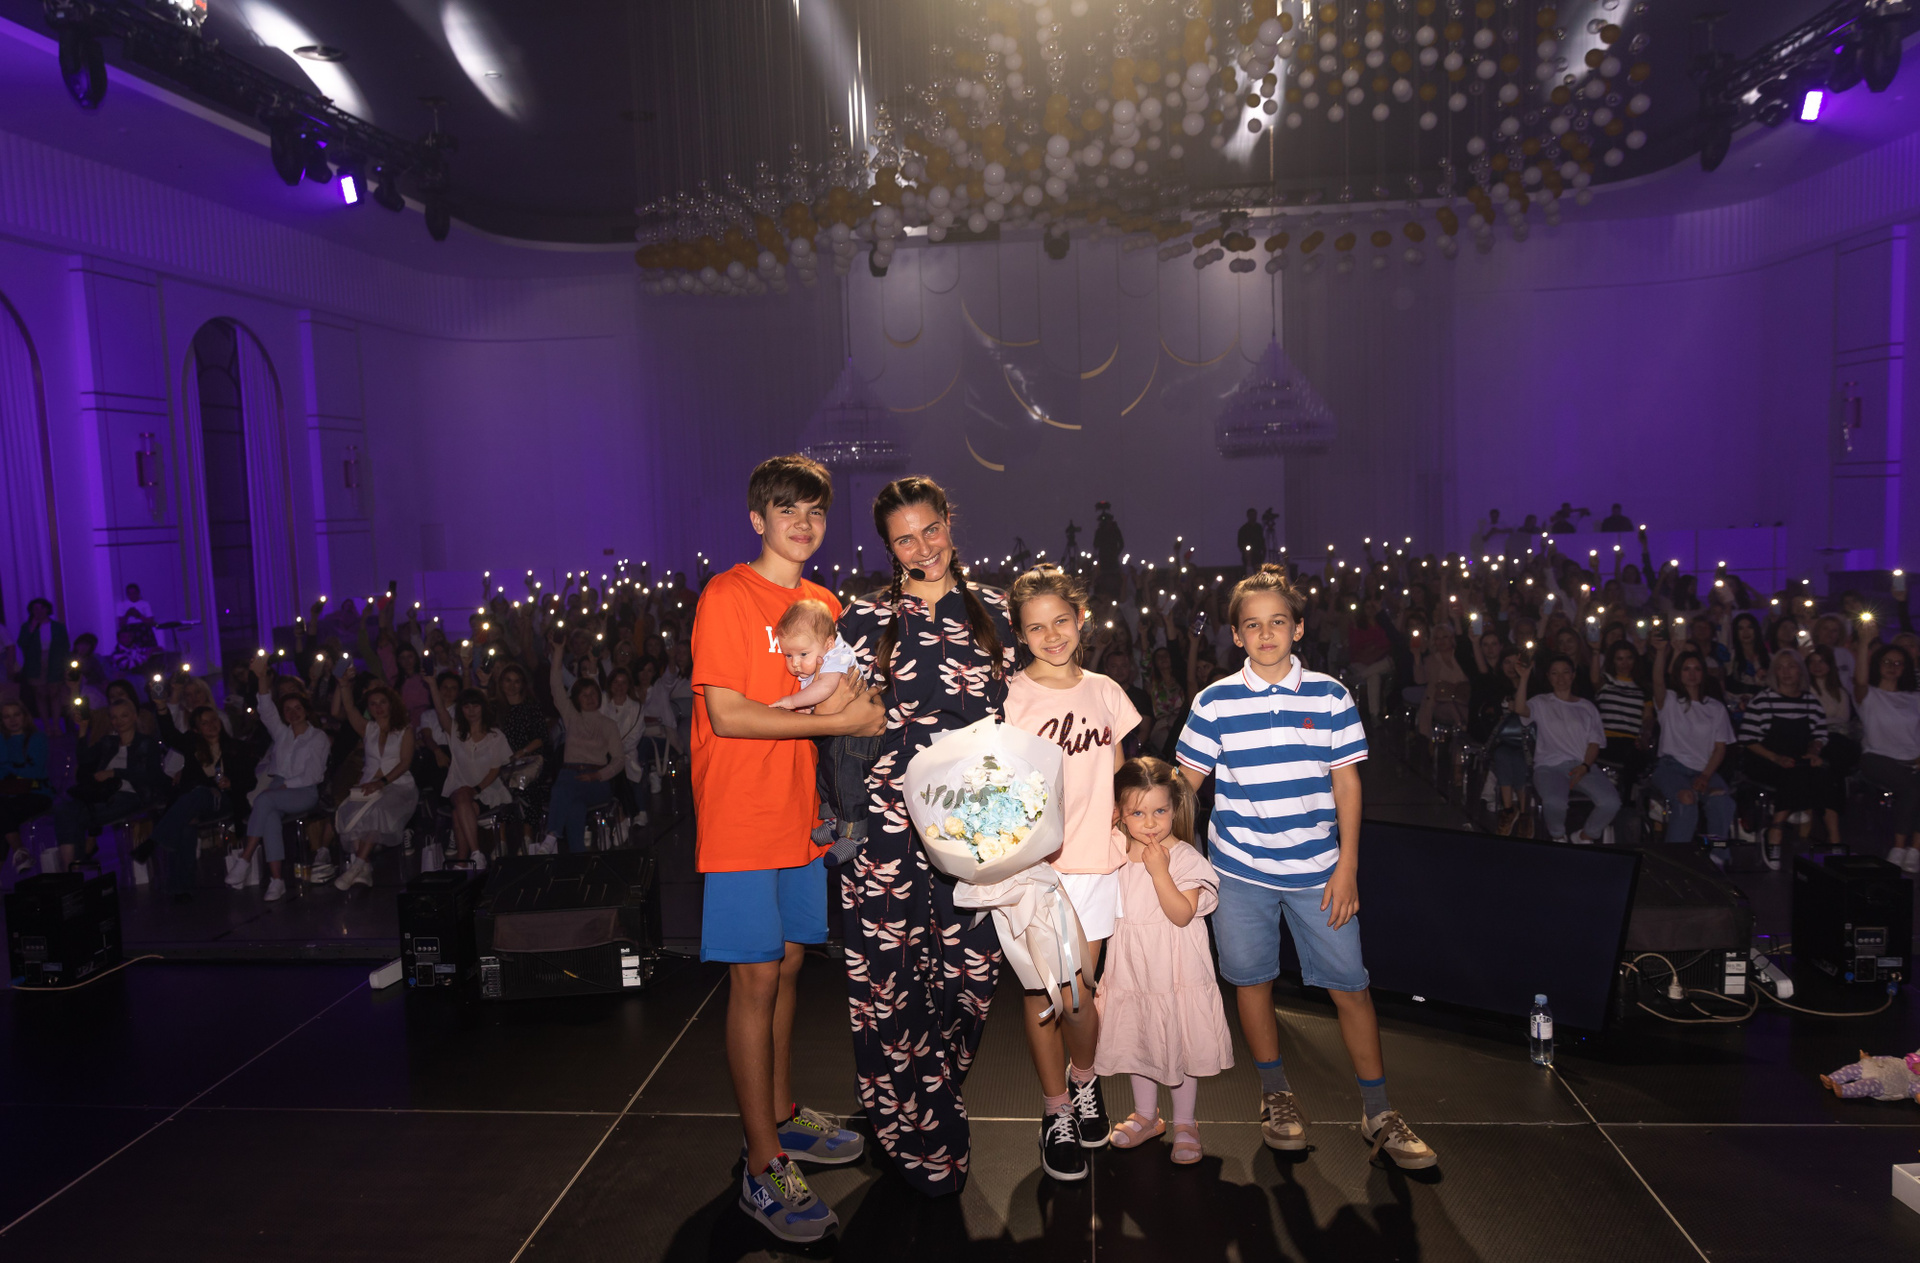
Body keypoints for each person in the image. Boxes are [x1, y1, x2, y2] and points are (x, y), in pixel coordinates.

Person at [1175, 564, 1437, 1171]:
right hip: (1239, 872)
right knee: (1252, 983)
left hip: (1320, 873)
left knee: (1352, 987)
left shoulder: (1331, 695)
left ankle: (1378, 1111)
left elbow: (1347, 785)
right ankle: (1276, 1097)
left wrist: (1348, 868)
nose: (1266, 634)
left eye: (1278, 622)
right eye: (1252, 625)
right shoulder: (1213, 701)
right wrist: (1152, 838)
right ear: (1236, 635)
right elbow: (1186, 786)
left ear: (1297, 628)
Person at [693, 455, 882, 1242]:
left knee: (792, 962)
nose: (803, 524)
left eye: (815, 511)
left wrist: (864, 705)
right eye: (786, 510)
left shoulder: (823, 603)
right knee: (756, 976)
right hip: (742, 813)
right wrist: (838, 719)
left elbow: (852, 698)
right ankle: (762, 1162)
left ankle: (780, 1112)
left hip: (803, 813)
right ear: (757, 518)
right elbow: (729, 714)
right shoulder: (727, 595)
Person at [835, 474, 1014, 1196]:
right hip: (883, 828)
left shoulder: (998, 611)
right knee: (890, 981)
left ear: (948, 520)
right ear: (888, 546)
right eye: (904, 539)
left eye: (930, 529)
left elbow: (1032, 715)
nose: (922, 547)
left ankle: (923, 1097)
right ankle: (923, 1134)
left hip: (977, 827)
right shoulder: (860, 619)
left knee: (974, 976)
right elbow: (831, 722)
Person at [1001, 564, 1139, 1183]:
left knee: (1078, 994)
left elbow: (1119, 776)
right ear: (1019, 633)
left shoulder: (1106, 691)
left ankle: (1085, 1081)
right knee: (1042, 997)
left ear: (1081, 619)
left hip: (1093, 863)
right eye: (1036, 627)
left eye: (1061, 621)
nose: (1052, 635)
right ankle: (1055, 1108)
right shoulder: (1009, 698)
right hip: (1034, 870)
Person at [1096, 757, 1233, 1165]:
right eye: (1137, 813)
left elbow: (1182, 914)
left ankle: (1186, 1123)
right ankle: (1146, 1115)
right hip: (1133, 968)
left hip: (1175, 972)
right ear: (1121, 813)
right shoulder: (1116, 851)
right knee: (1140, 1035)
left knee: (1179, 1040)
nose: (1150, 823)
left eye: (1160, 811)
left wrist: (1160, 872)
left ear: (1175, 807)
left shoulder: (1185, 857)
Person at [236, 658, 330, 894]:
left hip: (304, 791)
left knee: (264, 799)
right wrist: (261, 677)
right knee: (269, 818)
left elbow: (313, 774)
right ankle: (277, 881)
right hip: (279, 789)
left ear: (305, 710)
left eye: (297, 708)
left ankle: (245, 859)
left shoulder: (317, 737)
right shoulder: (281, 733)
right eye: (288, 709)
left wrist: (284, 786)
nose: (293, 713)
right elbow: (266, 709)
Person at [150, 703, 257, 902]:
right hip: (195, 804)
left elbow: (250, 781)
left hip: (225, 801)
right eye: (205, 723)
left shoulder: (236, 747)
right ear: (196, 730)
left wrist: (231, 783)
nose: (211, 725)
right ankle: (180, 888)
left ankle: (156, 839)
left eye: (214, 720)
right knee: (186, 823)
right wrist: (162, 708)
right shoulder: (192, 746)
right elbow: (170, 735)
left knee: (199, 794)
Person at [1738, 650, 1835, 866]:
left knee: (1825, 773)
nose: (1786, 672)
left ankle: (1832, 839)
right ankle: (1776, 831)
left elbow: (1819, 735)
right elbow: (1748, 739)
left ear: (1800, 670)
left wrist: (1814, 751)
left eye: (1791, 666)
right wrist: (1775, 758)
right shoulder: (1763, 700)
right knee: (1792, 774)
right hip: (1764, 759)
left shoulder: (1810, 701)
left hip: (1797, 759)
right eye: (1780, 667)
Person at [1514, 654, 1619, 845]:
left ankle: (1584, 836)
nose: (1560, 678)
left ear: (1573, 675)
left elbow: (1594, 742)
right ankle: (1558, 836)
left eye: (1565, 672)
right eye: (1555, 673)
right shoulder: (1541, 702)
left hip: (1581, 765)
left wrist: (1585, 766)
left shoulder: (1587, 707)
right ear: (1548, 677)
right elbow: (1520, 709)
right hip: (1549, 767)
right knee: (1555, 802)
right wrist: (1524, 678)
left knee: (1611, 802)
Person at [53, 698, 167, 869]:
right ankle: (72, 868)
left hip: (133, 795)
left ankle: (72, 870)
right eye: (114, 717)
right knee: (63, 810)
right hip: (103, 794)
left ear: (134, 716)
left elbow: (152, 776)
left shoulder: (146, 743)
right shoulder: (108, 742)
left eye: (124, 716)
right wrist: (83, 728)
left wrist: (115, 772)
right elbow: (84, 759)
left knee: (73, 818)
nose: (118, 721)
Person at [331, 675, 418, 890]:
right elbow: (349, 708)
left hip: (398, 785)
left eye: (382, 702)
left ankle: (356, 866)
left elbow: (405, 763)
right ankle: (365, 867)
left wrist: (382, 782)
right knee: (349, 813)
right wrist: (344, 685)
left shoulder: (405, 730)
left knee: (377, 812)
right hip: (369, 785)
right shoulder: (367, 728)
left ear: (391, 704)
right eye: (373, 704)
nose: (378, 707)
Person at [1646, 642, 1737, 847]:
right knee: (1686, 798)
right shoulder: (1670, 700)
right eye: (1686, 669)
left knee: (1722, 801)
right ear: (1679, 673)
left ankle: (1717, 855)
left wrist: (1705, 775)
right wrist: (1661, 652)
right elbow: (1658, 681)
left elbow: (1720, 748)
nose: (1692, 674)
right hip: (1671, 767)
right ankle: (1677, 857)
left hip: (1705, 769)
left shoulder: (1715, 708)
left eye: (1696, 669)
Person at [539, 637, 622, 853]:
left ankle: (551, 837)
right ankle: (578, 859)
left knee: (563, 788)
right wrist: (558, 651)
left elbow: (619, 760)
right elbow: (556, 685)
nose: (589, 697)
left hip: (596, 779)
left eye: (593, 693)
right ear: (576, 699)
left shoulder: (608, 724)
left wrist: (598, 775)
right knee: (575, 808)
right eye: (584, 695)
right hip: (571, 775)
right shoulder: (571, 716)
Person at [1851, 617, 1920, 873]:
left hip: (1913, 760)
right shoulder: (1869, 694)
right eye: (1887, 662)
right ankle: (1899, 847)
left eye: (1898, 663)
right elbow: (1859, 681)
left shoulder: (1915, 698)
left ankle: (1915, 849)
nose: (1892, 667)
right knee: (1912, 787)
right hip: (1878, 758)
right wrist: (1864, 643)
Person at [441, 689, 511, 870]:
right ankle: (476, 854)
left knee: (458, 812)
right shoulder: (456, 732)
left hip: (487, 790)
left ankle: (463, 860)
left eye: (475, 705)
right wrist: (432, 685)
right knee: (461, 795)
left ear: (483, 707)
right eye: (466, 706)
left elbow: (495, 770)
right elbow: (440, 712)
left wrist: (476, 789)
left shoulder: (495, 736)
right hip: (459, 789)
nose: (471, 710)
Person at [767, 600, 857, 712]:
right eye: (788, 655)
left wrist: (793, 702)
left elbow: (825, 687)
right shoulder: (818, 655)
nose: (795, 663)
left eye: (803, 654)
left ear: (829, 644)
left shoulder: (837, 657)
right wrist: (806, 707)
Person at [1, 699, 52, 874]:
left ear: (24, 715)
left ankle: (20, 852)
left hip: (37, 793)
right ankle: (21, 854)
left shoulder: (37, 738)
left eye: (16, 714)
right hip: (8, 795)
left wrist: (7, 767)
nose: (12, 720)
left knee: (2, 812)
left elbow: (34, 771)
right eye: (6, 716)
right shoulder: (2, 741)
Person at [16, 598, 70, 732]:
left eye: (41, 608)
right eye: (35, 609)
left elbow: (65, 646)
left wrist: (65, 665)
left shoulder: (58, 627)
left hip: (54, 662)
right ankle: (46, 726)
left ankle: (56, 725)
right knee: (40, 695)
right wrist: (31, 629)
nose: (38, 611)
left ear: (47, 609)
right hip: (35, 664)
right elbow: (22, 644)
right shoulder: (27, 627)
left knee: (55, 694)